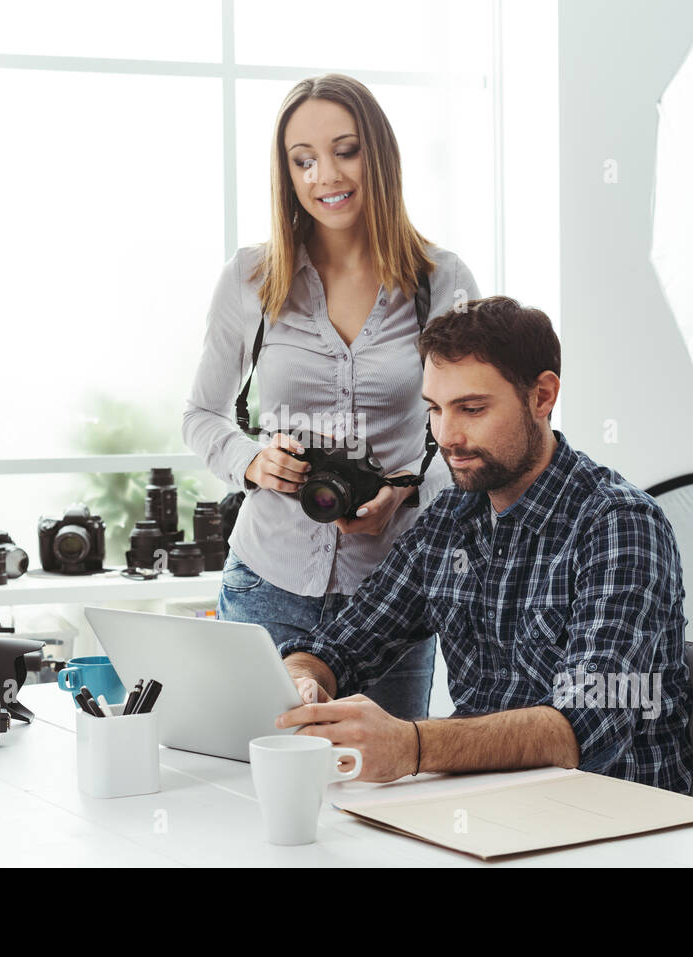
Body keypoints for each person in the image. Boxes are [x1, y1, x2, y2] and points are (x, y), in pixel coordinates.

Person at [274, 296, 693, 793]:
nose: (448, 436)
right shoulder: (453, 518)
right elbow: (338, 648)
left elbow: (587, 728)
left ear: (542, 396)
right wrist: (303, 679)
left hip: (613, 822)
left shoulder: (619, 525)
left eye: (471, 409)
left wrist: (412, 746)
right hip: (484, 805)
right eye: (434, 410)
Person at [182, 74, 479, 721]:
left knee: (382, 793)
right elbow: (201, 415)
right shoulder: (251, 278)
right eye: (303, 159)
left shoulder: (441, 281)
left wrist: (404, 492)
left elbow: (472, 438)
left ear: (379, 154)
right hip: (266, 584)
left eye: (345, 150)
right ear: (286, 173)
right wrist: (253, 461)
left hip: (391, 596)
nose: (325, 175)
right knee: (247, 787)